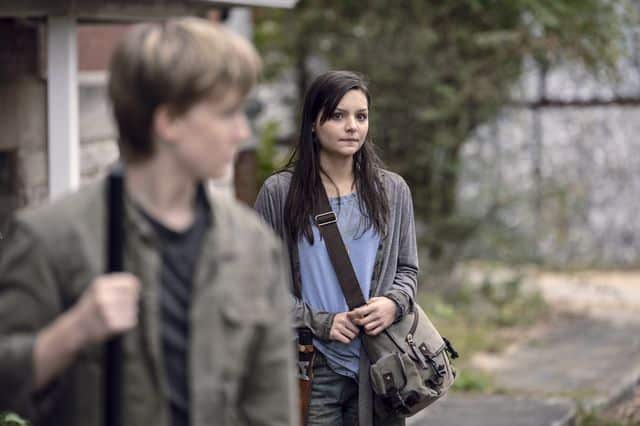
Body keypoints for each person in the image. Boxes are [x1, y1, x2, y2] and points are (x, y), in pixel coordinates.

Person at [0, 18, 297, 426]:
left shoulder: (253, 246)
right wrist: (71, 333)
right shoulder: (50, 238)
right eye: (227, 113)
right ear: (169, 121)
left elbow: (272, 410)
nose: (242, 131)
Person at [254, 70, 418, 426]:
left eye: (361, 116)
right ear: (313, 123)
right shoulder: (280, 193)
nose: (352, 127)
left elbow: (408, 270)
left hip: (380, 364)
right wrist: (321, 323)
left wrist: (393, 304)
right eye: (338, 115)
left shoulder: (392, 191)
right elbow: (257, 285)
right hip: (311, 366)